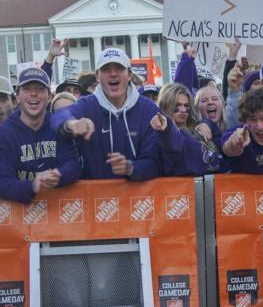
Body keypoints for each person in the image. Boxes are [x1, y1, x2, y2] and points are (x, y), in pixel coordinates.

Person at [52, 47, 160, 180]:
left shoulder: (148, 109)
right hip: (96, 198)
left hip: (139, 198)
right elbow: (58, 116)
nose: (113, 74)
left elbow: (155, 162)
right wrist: (71, 123)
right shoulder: (88, 105)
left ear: (130, 75)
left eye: (119, 68)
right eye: (106, 69)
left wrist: (131, 168)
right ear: (97, 76)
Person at [0, 68, 81, 204]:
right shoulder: (5, 133)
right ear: (18, 97)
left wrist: (58, 175)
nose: (33, 94)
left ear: (49, 96)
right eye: (26, 89)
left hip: (59, 212)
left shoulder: (57, 126)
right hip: (18, 216)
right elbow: (2, 181)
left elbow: (73, 164)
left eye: (40, 89)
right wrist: (33, 185)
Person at [150, 83, 224, 175]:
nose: (183, 110)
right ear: (166, 105)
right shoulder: (165, 136)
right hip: (183, 187)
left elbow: (220, 137)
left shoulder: (198, 127)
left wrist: (206, 123)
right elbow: (171, 141)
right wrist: (167, 128)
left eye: (186, 105)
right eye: (177, 105)